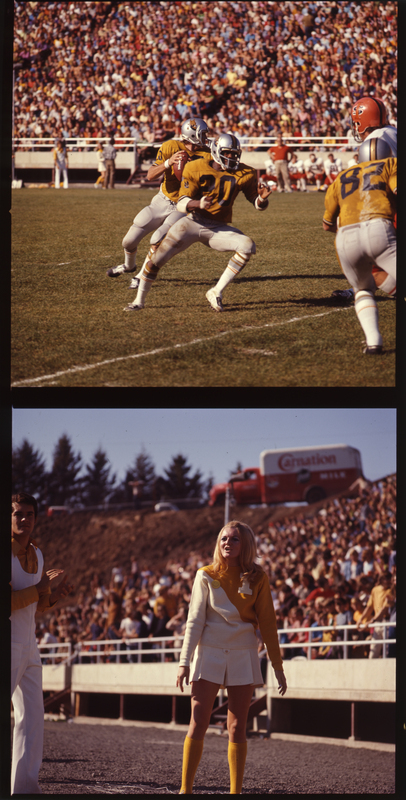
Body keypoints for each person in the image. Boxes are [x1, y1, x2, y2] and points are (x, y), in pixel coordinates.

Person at [175, 520, 287, 795]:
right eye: (224, 538)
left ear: (245, 544)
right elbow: (194, 621)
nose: (228, 543)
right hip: (209, 652)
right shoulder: (205, 575)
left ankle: (235, 793)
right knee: (198, 720)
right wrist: (184, 661)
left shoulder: (259, 577)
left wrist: (278, 665)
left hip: (243, 653)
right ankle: (185, 790)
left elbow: (269, 624)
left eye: (235, 539)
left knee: (237, 726)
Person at [125, 133, 272, 313]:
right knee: (156, 261)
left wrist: (262, 200)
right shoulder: (195, 167)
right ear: (217, 151)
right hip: (192, 223)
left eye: (235, 154)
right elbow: (181, 202)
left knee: (247, 246)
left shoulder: (245, 172)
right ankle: (139, 301)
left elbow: (257, 204)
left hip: (218, 227)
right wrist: (198, 203)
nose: (232, 158)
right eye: (228, 153)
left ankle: (215, 291)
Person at [11, 492, 74, 794]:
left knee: (33, 717)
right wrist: (39, 590)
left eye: (29, 514)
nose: (24, 519)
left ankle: (24, 787)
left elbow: (36, 603)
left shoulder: (38, 555)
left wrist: (54, 596)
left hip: (29, 642)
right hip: (7, 641)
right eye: (17, 513)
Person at [106, 118, 210, 284]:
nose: (206, 138)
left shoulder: (207, 154)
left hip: (182, 205)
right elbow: (150, 174)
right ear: (192, 135)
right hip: (162, 199)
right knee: (128, 241)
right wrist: (169, 162)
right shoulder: (171, 146)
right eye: (202, 134)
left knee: (158, 238)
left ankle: (140, 276)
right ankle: (129, 266)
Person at [322, 137, 396, 354]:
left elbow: (327, 224)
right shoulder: (391, 164)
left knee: (362, 289)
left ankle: (373, 342)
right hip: (378, 227)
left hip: (345, 236)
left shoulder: (341, 176)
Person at [332, 96, 397, 301]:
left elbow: (374, 177)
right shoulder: (393, 131)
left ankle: (362, 288)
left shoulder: (373, 142)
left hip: (389, 200)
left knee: (374, 261)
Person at [356, 572, 393, 658]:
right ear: (381, 579)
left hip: (387, 622)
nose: (387, 581)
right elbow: (369, 607)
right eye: (385, 578)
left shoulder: (391, 591)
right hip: (377, 622)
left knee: (388, 648)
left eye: (388, 578)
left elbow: (384, 609)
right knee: (374, 649)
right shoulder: (375, 590)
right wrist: (361, 619)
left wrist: (372, 621)